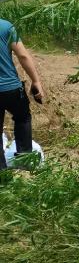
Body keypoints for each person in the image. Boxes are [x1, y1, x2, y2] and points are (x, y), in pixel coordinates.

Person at [0, 18, 45, 172]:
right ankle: (25, 164)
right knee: (23, 118)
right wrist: (36, 81)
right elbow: (23, 56)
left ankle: (2, 174)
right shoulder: (6, 27)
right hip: (11, 88)